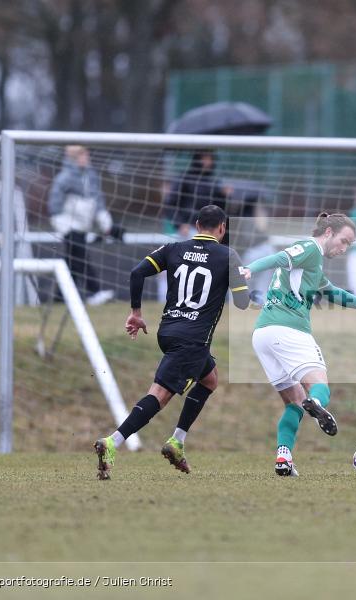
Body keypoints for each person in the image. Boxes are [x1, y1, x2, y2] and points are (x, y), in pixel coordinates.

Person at [93, 205, 250, 480]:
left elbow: (137, 273)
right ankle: (113, 441)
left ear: (197, 225)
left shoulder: (174, 248)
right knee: (160, 395)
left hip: (167, 332)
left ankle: (177, 441)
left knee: (210, 379)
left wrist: (136, 313)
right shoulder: (228, 256)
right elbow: (242, 302)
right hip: (193, 340)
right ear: (222, 228)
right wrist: (242, 278)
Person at [243, 213, 356, 476]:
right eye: (344, 241)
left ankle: (284, 457)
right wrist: (250, 269)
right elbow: (280, 257)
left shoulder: (313, 265)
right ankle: (315, 402)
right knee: (319, 386)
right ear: (328, 233)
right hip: (289, 330)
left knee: (294, 403)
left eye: (349, 245)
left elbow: (334, 293)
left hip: (263, 334)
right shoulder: (310, 248)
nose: (344, 249)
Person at [47, 145, 115, 305]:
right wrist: (60, 222)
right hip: (69, 226)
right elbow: (55, 203)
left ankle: (59, 297)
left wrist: (103, 218)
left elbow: (97, 199)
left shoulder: (91, 176)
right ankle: (94, 291)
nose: (86, 159)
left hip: (83, 226)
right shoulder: (64, 178)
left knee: (72, 262)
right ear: (74, 158)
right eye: (83, 156)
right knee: (81, 257)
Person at [163, 150, 231, 239]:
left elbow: (219, 208)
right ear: (197, 160)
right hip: (187, 229)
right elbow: (170, 205)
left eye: (210, 159)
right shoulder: (184, 178)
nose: (208, 162)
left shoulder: (214, 182)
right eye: (205, 159)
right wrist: (180, 224)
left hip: (209, 229)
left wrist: (223, 196)